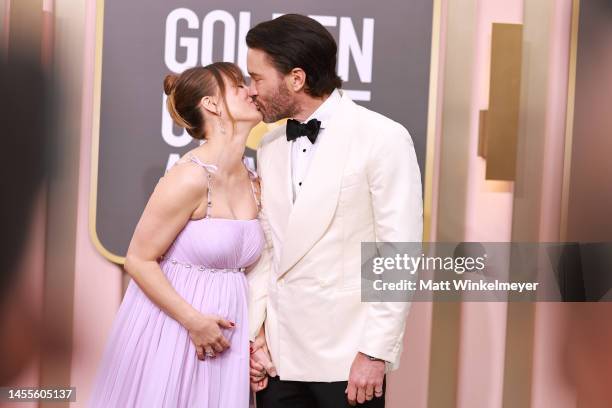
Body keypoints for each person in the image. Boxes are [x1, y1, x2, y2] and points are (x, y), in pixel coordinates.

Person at [245, 14, 423, 407]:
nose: (250, 91)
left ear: (296, 78)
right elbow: (270, 249)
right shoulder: (270, 145)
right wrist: (254, 337)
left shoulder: (382, 138)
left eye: (256, 78)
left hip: (347, 359)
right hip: (278, 358)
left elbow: (398, 254)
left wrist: (376, 352)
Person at [89, 62, 265, 407]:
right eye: (238, 87)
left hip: (226, 334)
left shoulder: (255, 180)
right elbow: (139, 260)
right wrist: (194, 321)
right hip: (175, 329)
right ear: (212, 105)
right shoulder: (189, 178)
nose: (252, 91)